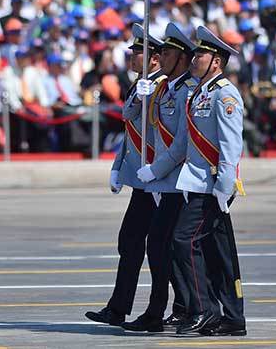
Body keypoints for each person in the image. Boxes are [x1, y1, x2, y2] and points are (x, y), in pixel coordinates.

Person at [85, 23, 164, 327]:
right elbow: (130, 129)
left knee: (159, 248)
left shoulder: (161, 87)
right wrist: (117, 166)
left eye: (139, 51)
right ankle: (118, 308)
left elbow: (161, 136)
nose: (132, 56)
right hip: (139, 178)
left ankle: (170, 309)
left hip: (157, 179)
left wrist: (152, 93)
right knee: (130, 242)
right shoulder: (141, 85)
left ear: (154, 57)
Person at [172, 26, 246, 337]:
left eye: (200, 54)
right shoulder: (200, 92)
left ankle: (205, 310)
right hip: (197, 182)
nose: (194, 58)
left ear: (216, 61)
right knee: (218, 253)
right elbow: (183, 143)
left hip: (212, 185)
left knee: (183, 240)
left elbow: (231, 145)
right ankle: (232, 316)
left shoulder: (225, 94)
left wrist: (223, 187)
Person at [127, 23, 197, 332]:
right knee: (159, 245)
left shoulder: (188, 91)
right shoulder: (161, 87)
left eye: (166, 52)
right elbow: (132, 119)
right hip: (162, 181)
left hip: (180, 180)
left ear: (180, 57)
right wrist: (141, 95)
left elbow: (181, 142)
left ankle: (185, 309)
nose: (161, 57)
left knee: (171, 246)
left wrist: (155, 170)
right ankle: (163, 310)